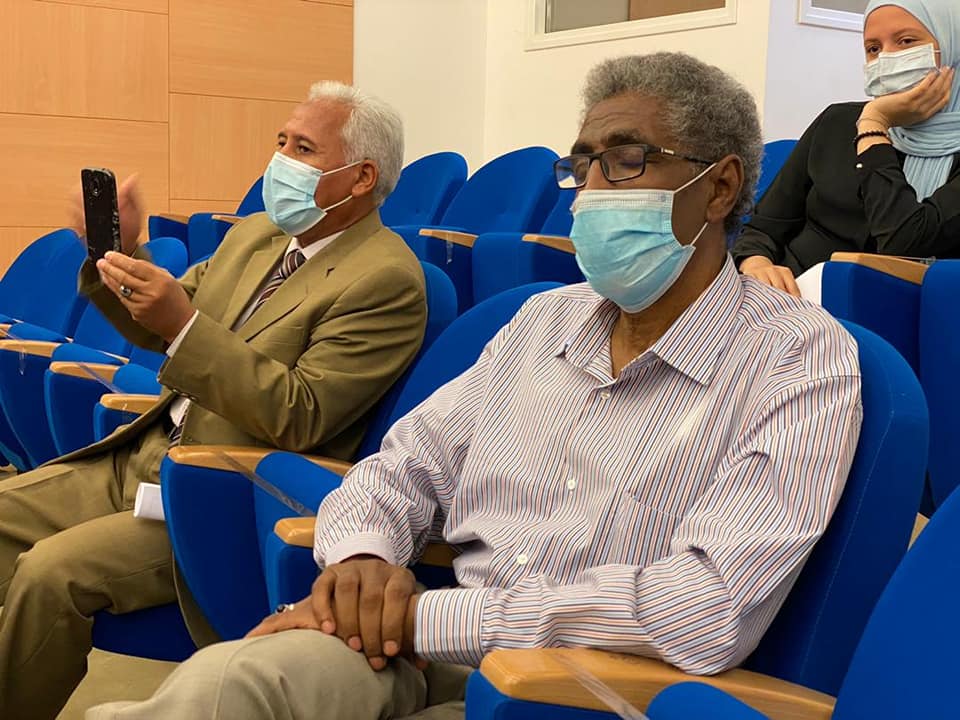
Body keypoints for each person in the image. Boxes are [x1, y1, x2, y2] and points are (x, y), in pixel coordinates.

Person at [88, 52, 863, 720]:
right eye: (582, 164)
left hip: (578, 693)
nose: (592, 189)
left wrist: (427, 620)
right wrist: (361, 560)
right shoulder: (543, 320)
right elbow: (400, 467)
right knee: (227, 685)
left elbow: (705, 609)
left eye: (626, 160)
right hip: (419, 652)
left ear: (719, 187)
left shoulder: (796, 357)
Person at [0, 81, 427, 720]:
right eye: (281, 141)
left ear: (362, 177)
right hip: (143, 454)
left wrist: (181, 324)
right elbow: (163, 324)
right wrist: (118, 254)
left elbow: (301, 413)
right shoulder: (257, 235)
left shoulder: (387, 280)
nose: (280, 160)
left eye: (303, 148)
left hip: (216, 493)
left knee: (48, 574)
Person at [733, 0, 960, 296]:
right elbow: (763, 228)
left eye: (906, 41)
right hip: (789, 301)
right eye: (873, 48)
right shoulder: (836, 122)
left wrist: (874, 125)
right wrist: (756, 262)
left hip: (886, 313)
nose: (886, 58)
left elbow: (904, 243)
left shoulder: (867, 121)